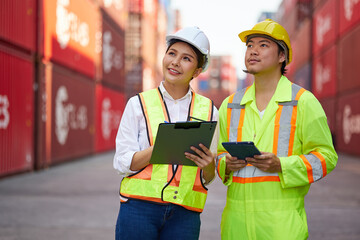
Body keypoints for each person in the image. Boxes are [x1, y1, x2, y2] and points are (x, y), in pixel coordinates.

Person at [216, 19, 338, 240]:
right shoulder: (230, 105)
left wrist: (281, 165)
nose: (253, 51)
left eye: (263, 45)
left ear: (282, 56)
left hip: (281, 228)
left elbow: (327, 158)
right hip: (236, 227)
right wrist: (226, 164)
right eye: (250, 45)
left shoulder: (303, 102)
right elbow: (218, 156)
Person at [113, 26, 219, 240]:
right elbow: (122, 162)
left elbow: (208, 178)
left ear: (197, 71)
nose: (175, 62)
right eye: (172, 53)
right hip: (139, 210)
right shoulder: (138, 104)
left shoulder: (210, 111)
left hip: (185, 213)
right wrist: (160, 149)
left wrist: (208, 166)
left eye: (186, 58)